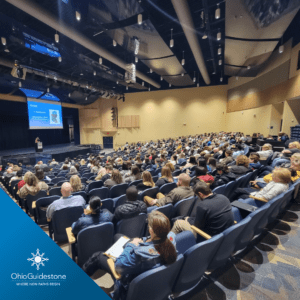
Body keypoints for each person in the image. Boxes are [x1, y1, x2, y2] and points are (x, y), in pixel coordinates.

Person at [82, 211, 177, 300]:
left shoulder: (139, 255)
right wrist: (140, 241)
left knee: (98, 256)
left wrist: (131, 245)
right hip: (147, 275)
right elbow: (151, 241)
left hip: (126, 279)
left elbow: (118, 266)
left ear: (151, 230)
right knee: (118, 236)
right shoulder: (171, 239)